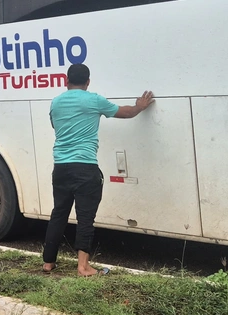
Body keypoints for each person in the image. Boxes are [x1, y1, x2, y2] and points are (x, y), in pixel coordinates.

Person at [42, 64, 153, 276]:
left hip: (61, 168)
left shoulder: (56, 102)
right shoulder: (93, 100)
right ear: (88, 82)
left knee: (59, 213)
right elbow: (125, 113)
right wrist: (140, 106)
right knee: (85, 218)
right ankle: (83, 267)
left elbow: (55, 126)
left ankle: (48, 262)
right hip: (85, 167)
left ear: (66, 81)